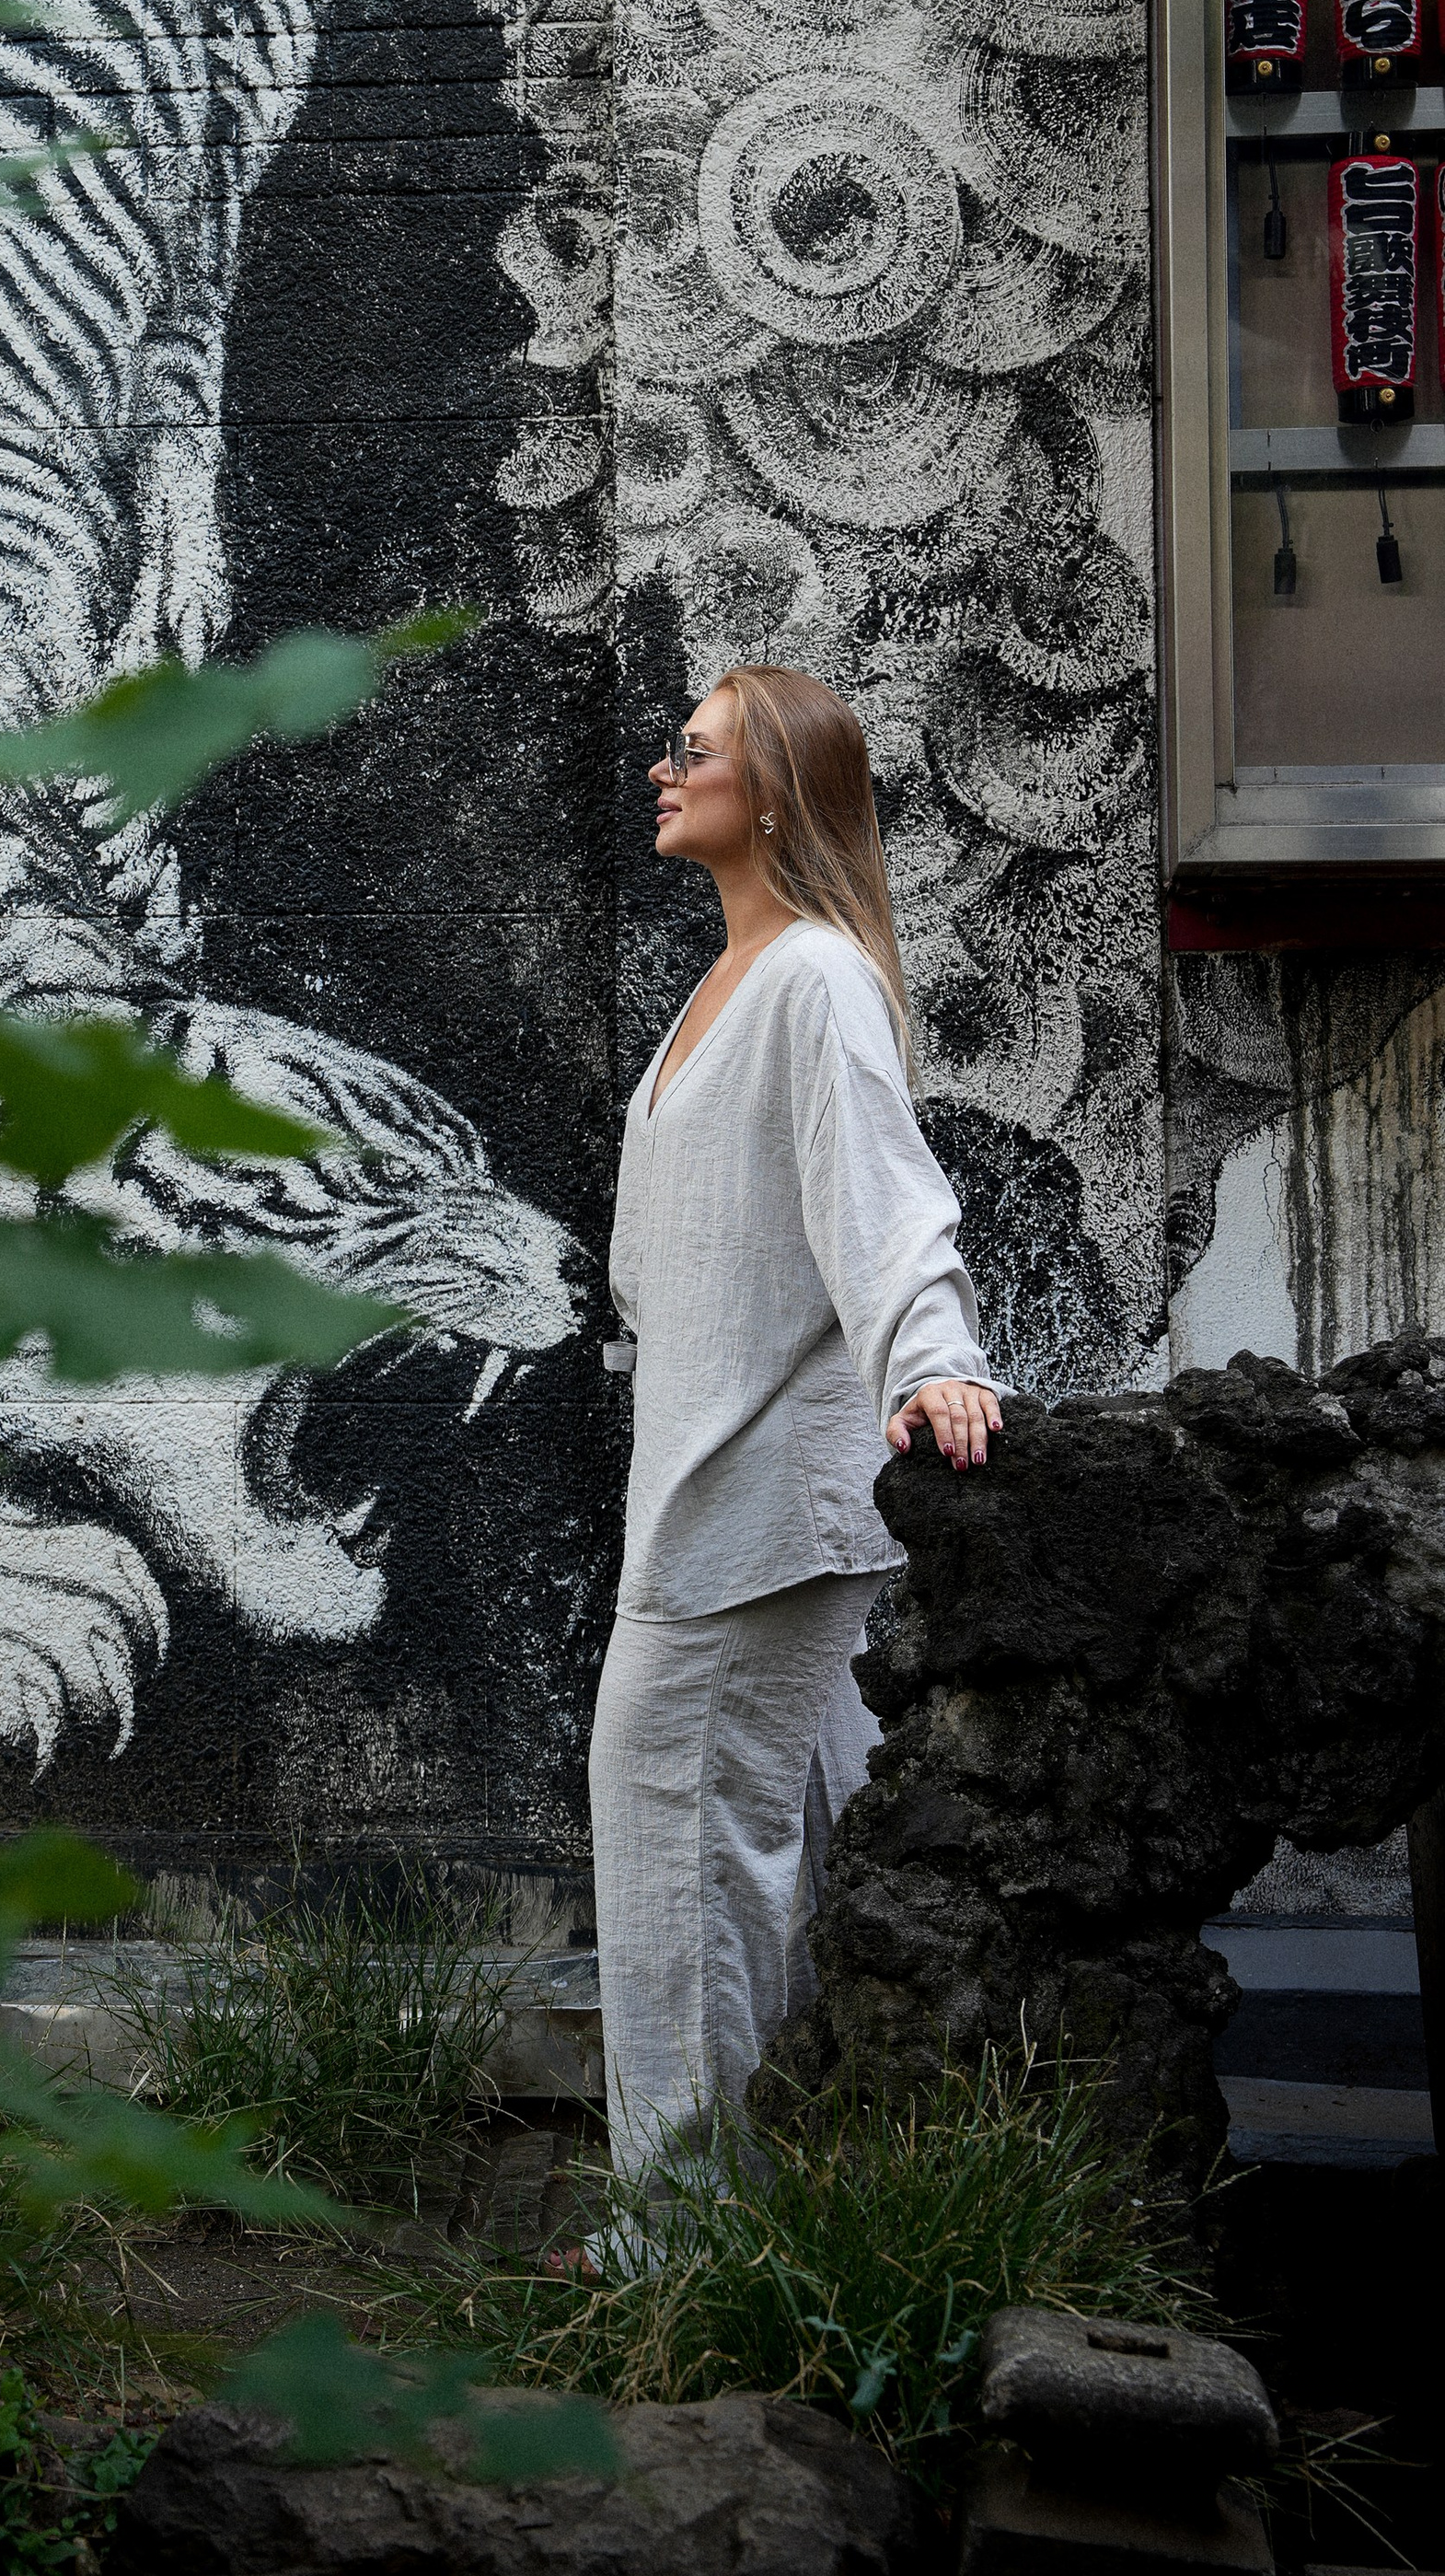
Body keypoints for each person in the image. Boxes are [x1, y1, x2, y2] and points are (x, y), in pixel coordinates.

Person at [592, 662, 1002, 2199]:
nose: (661, 766)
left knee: (678, 1865)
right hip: (716, 1489)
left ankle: (685, 2254)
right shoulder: (728, 983)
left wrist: (935, 1356)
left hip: (753, 1510)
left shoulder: (813, 978)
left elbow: (885, 1204)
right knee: (805, 1870)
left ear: (769, 794)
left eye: (691, 748)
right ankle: (818, 2212)